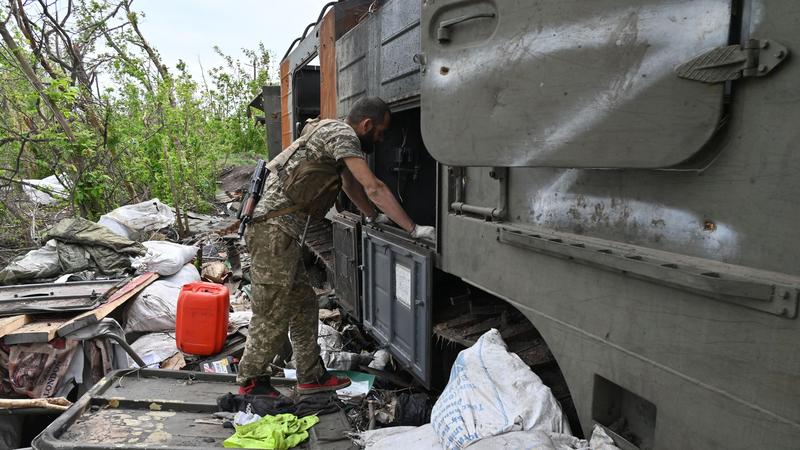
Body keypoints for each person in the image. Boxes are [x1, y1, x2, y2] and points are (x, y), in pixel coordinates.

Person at [238, 96, 435, 396]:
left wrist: (372, 215)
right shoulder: (344, 135)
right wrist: (413, 228)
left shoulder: (329, 132)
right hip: (272, 231)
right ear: (366, 125)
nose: (381, 139)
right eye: (380, 132)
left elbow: (350, 186)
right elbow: (373, 186)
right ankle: (251, 383)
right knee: (272, 309)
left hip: (280, 232)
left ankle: (310, 376)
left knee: (303, 303)